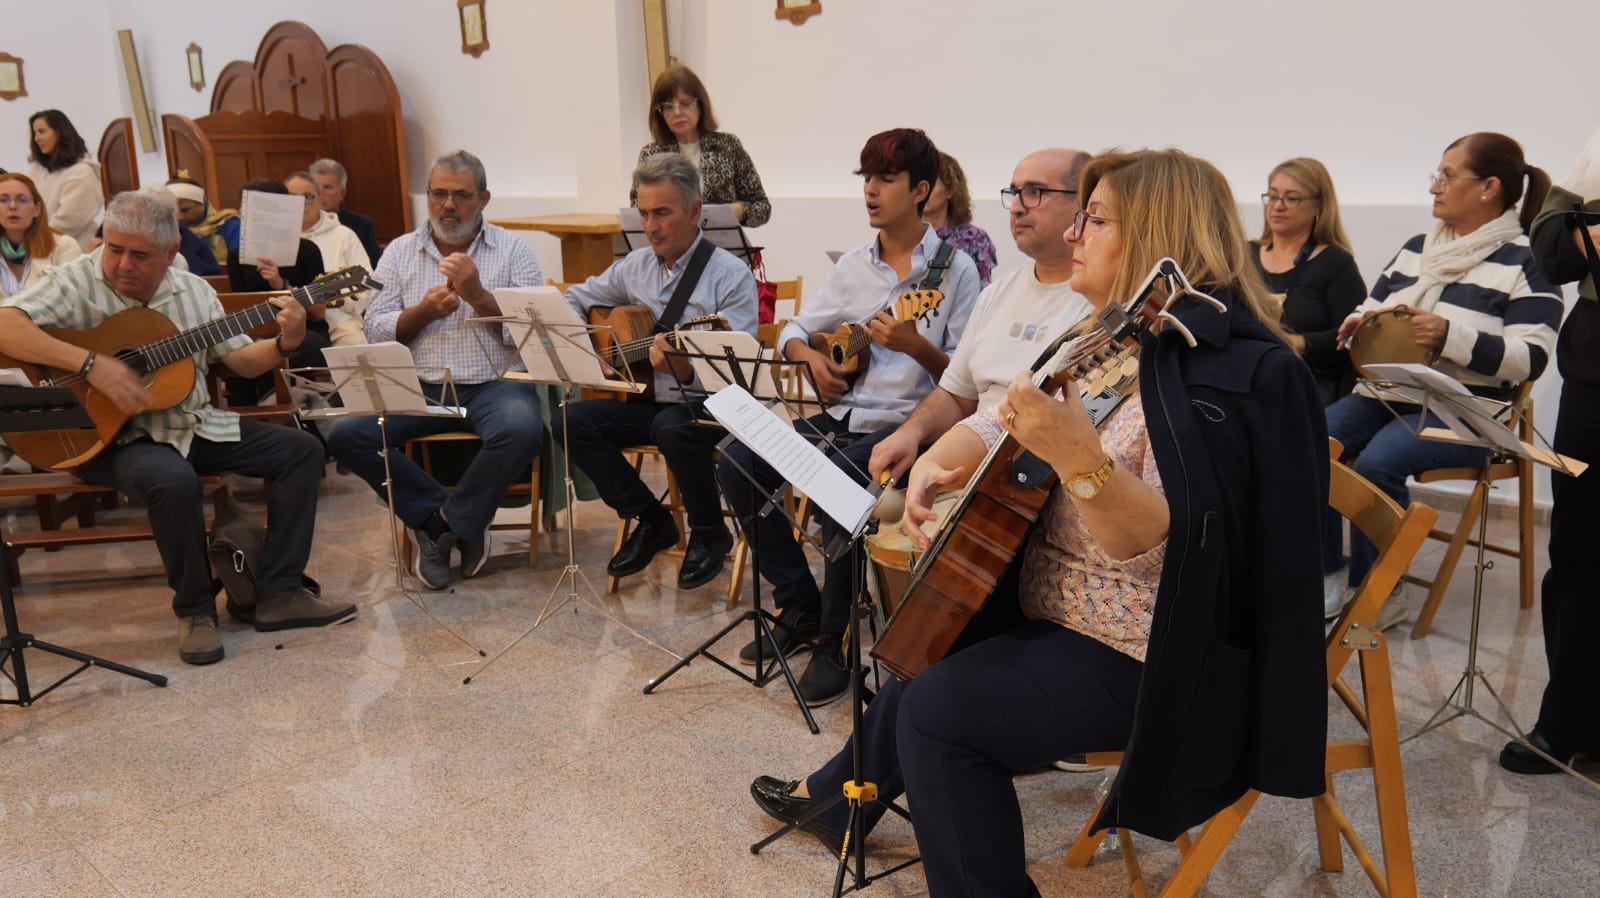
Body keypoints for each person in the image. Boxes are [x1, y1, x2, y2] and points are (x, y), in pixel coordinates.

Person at [749, 148, 1329, 897]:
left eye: (1096, 217)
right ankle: (842, 801)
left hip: (1153, 650)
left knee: (937, 715)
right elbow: (1002, 414)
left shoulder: (1234, 368)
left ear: (1156, 233)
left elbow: (1162, 542)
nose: (1076, 232)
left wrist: (1078, 459)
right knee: (920, 652)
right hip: (1054, 609)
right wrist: (940, 454)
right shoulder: (1109, 336)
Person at [0, 192, 357, 664]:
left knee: (302, 451)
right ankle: (195, 611)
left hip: (190, 423)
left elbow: (242, 361)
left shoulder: (193, 292)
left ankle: (279, 593)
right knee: (172, 480)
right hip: (107, 438)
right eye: (114, 248)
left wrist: (285, 343)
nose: (123, 264)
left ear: (171, 254)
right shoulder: (74, 282)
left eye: (141, 255)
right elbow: (5, 324)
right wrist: (90, 364)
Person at [718, 128, 980, 707]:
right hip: (841, 415)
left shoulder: (954, 272)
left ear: (921, 190)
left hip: (909, 432)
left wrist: (916, 347)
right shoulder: (855, 266)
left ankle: (836, 642)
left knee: (839, 493)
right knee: (738, 462)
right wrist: (814, 358)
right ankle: (800, 605)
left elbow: (967, 385)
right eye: (866, 178)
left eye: (886, 179)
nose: (871, 191)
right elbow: (791, 329)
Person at [1325, 133, 1562, 629]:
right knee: (1309, 442)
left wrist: (1449, 334)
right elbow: (1374, 307)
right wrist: (1358, 324)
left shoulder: (1527, 262)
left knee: (1375, 464)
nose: (1435, 187)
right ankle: (1327, 574)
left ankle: (1378, 592)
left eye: (1447, 176)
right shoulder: (1417, 249)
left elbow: (1531, 358)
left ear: (1488, 187)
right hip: (1390, 393)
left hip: (1469, 412)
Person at [327, 150, 544, 590]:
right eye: (439, 194)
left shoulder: (513, 249)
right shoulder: (401, 251)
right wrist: (421, 313)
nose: (449, 205)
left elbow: (532, 333)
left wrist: (480, 296)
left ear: (484, 199)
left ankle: (446, 527)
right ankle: (438, 519)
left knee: (523, 428)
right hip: (419, 385)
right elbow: (374, 328)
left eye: (461, 195)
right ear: (427, 196)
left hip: (494, 384)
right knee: (346, 434)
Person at [553, 153, 758, 589]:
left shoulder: (730, 276)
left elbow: (737, 372)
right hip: (648, 402)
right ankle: (650, 517)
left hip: (710, 409)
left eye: (662, 213)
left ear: (695, 211)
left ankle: (709, 532)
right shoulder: (634, 266)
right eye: (644, 214)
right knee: (569, 420)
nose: (650, 226)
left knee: (673, 426)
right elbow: (572, 299)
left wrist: (685, 368)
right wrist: (593, 345)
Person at [1503, 126, 1600, 775]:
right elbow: (1550, 252)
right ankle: (1566, 723)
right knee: (1581, 553)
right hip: (1598, 376)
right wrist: (1589, 230)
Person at [1249, 157, 1366, 404]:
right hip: (1246, 379)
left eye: (1291, 198)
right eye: (1272, 196)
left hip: (1308, 387)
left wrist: (1302, 342)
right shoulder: (1243, 256)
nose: (1277, 206)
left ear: (1319, 206)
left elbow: (1356, 335)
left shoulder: (1336, 263)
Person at [634, 65, 770, 228]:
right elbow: (638, 210)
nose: (677, 112)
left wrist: (739, 211)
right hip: (673, 249)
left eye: (685, 104)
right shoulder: (651, 154)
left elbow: (763, 208)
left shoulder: (728, 146)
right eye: (668, 106)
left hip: (721, 248)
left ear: (700, 105)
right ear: (660, 113)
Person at [286, 170, 371, 346]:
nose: (301, 204)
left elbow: (369, 284)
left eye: (307, 197)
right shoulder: (277, 238)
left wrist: (334, 301)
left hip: (338, 320)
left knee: (354, 344)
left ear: (319, 200)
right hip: (288, 321)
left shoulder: (344, 236)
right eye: (293, 198)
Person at [23, 110, 102, 250]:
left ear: (60, 133)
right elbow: (24, 203)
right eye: (35, 133)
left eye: (42, 131)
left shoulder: (81, 172)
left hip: (73, 249)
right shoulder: (38, 170)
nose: (36, 138)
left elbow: (69, 221)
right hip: (38, 244)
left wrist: (29, 241)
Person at [0, 171, 82, 297]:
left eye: (21, 199)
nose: (12, 206)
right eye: (3, 200)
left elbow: (73, 300)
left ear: (37, 209)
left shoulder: (64, 247)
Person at [922, 151, 998, 285]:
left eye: (931, 183)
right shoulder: (899, 236)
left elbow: (982, 294)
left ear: (950, 190)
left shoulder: (974, 239)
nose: (923, 191)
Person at [309, 158, 381, 267]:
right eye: (316, 187)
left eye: (327, 187)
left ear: (342, 193)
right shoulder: (297, 224)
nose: (320, 193)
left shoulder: (361, 225)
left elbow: (374, 269)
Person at [168, 175, 240, 265]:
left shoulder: (229, 224)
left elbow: (238, 263)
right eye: (172, 211)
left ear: (202, 203)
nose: (179, 217)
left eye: (185, 210)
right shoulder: (167, 230)